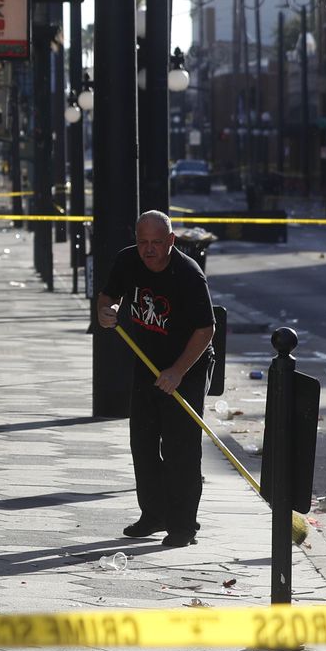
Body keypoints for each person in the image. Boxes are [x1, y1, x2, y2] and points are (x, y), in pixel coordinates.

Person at [97, 211, 217, 548]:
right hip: (148, 363)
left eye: (156, 243)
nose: (148, 250)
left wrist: (177, 371)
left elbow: (206, 329)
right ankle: (154, 514)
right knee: (143, 442)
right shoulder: (127, 260)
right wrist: (106, 312)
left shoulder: (189, 275)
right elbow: (108, 297)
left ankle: (183, 526)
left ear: (170, 242)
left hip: (188, 366)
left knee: (181, 447)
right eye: (142, 242)